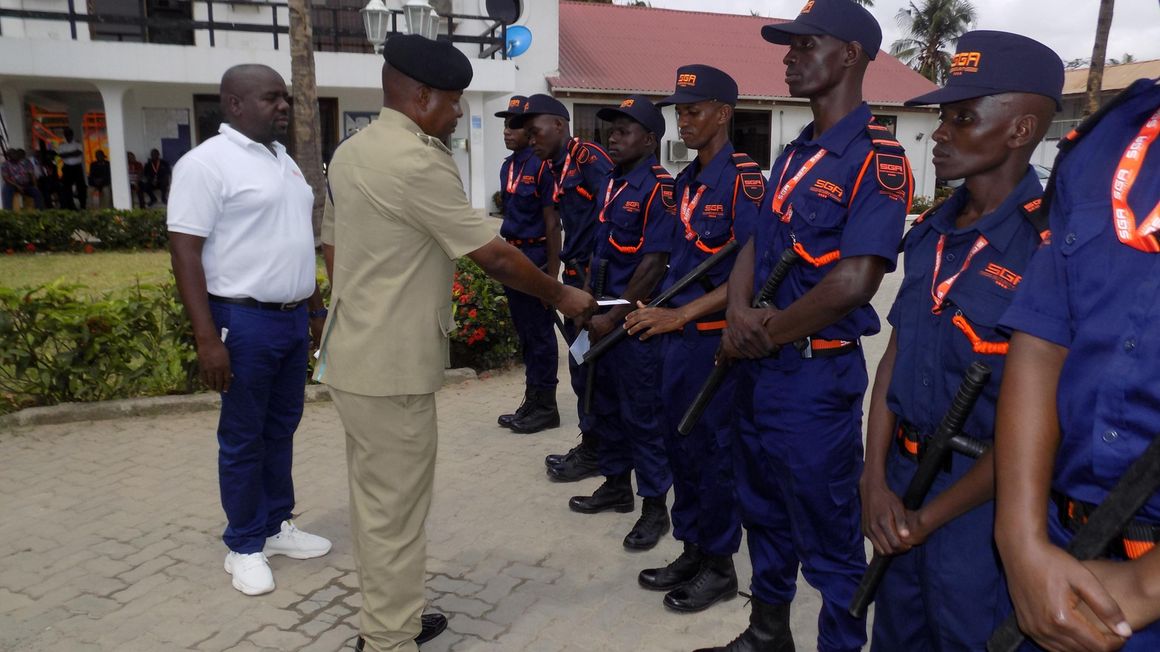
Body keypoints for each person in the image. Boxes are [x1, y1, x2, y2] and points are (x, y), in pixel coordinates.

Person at [317, 35, 595, 652]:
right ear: (421, 96)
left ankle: (397, 613)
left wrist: (363, 304)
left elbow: (333, 245)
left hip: (355, 353)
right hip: (391, 368)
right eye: (454, 102)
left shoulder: (353, 150)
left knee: (377, 502)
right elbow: (493, 254)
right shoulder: (415, 160)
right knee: (395, 510)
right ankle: (388, 639)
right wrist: (564, 296)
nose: (458, 116)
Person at [704, 2, 915, 650]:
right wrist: (738, 313)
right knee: (762, 510)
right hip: (759, 369)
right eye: (787, 47)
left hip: (813, 382)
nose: (789, 57)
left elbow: (855, 281)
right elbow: (754, 245)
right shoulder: (795, 152)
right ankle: (768, 633)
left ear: (850, 54)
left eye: (805, 45)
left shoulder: (877, 159)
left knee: (829, 538)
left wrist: (765, 330)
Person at [858, 31, 1063, 651]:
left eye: (963, 117)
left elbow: (1042, 426)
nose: (940, 133)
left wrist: (928, 519)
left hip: (982, 507)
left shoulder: (1051, 253)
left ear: (1021, 130)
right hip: (900, 486)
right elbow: (894, 357)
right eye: (942, 116)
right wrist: (873, 479)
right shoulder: (933, 231)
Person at [994, 74, 1160, 651]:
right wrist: (1020, 542)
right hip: (1063, 553)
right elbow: (1043, 337)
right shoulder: (1110, 137)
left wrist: (1146, 584)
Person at [168, 64, 332, 598]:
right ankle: (242, 544)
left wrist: (313, 308)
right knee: (242, 436)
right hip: (242, 320)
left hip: (288, 318)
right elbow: (185, 252)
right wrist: (207, 338)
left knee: (280, 426)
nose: (283, 106)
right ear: (234, 104)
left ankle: (275, 525)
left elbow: (297, 241)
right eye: (270, 98)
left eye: (284, 98)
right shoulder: (205, 165)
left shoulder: (282, 160)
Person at [625, 65, 763, 613]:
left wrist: (681, 316)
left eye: (694, 110)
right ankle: (693, 548)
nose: (683, 121)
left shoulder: (745, 181)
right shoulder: (685, 183)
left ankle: (721, 566)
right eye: (679, 111)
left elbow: (749, 272)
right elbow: (673, 260)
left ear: (724, 114)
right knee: (679, 445)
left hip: (713, 343)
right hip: (676, 341)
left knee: (715, 454)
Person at [566, 95, 675, 550]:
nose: (612, 136)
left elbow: (653, 264)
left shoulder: (660, 188)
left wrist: (615, 315)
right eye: (610, 129)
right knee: (602, 402)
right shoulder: (613, 182)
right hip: (601, 313)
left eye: (625, 130)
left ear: (650, 140)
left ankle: (654, 509)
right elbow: (601, 251)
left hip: (632, 322)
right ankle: (615, 486)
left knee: (642, 417)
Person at [512, 94, 614, 482]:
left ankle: (600, 450)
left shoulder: (588, 158)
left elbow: (611, 215)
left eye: (535, 131)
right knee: (581, 363)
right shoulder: (555, 166)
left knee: (591, 368)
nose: (530, 138)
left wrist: (591, 280)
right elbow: (558, 225)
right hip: (575, 278)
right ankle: (594, 445)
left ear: (559, 124)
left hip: (594, 285)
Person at [493, 95, 563, 434]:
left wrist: (552, 276)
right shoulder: (509, 166)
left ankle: (546, 407)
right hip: (513, 256)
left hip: (535, 257)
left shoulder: (542, 166)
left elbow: (552, 223)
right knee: (526, 335)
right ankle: (532, 400)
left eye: (516, 125)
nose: (508, 131)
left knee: (541, 336)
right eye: (506, 124)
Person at [58, 127, 86, 210]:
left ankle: (83, 205)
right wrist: (72, 153)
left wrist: (67, 154)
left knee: (81, 187)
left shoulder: (77, 143)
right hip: (67, 168)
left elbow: (78, 153)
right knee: (67, 188)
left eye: (69, 134)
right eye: (66, 134)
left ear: (72, 134)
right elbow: (61, 155)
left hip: (77, 167)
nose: (67, 136)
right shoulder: (62, 145)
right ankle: (70, 206)